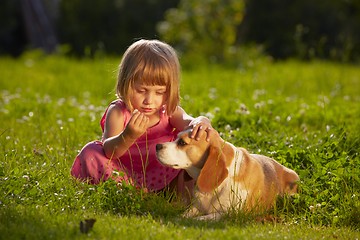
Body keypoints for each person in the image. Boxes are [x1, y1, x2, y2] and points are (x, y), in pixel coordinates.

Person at [71, 39, 213, 200]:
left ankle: (178, 196)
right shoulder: (118, 112)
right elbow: (109, 151)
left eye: (159, 92)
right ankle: (131, 193)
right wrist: (128, 135)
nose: (149, 100)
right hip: (124, 173)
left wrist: (201, 121)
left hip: (163, 171)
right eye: (141, 90)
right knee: (91, 152)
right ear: (126, 83)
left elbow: (189, 121)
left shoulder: (168, 111)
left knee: (192, 150)